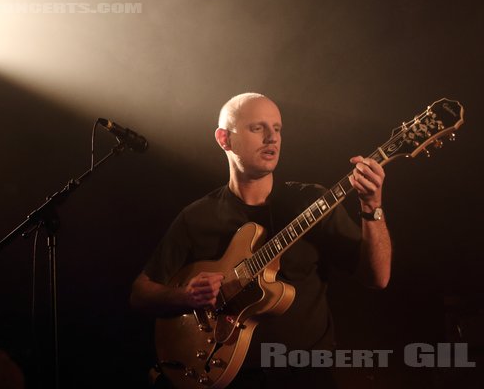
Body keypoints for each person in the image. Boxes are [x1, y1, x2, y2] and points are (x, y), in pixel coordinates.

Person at [130, 93, 391, 388]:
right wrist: (186, 296)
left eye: (277, 128)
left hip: (308, 375)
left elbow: (378, 277)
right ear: (224, 139)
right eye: (257, 128)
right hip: (231, 376)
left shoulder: (311, 201)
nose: (272, 138)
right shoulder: (197, 216)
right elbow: (140, 293)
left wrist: (372, 207)